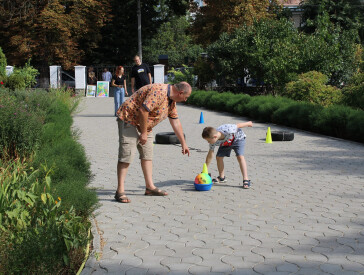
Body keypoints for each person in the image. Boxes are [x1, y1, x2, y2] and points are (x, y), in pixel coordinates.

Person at [114, 82, 192, 203]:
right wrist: (144, 133)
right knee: (127, 155)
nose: (186, 100)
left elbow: (175, 121)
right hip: (129, 120)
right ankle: (120, 191)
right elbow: (143, 111)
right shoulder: (159, 92)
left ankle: (150, 187)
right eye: (186, 97)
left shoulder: (171, 101)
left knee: (147, 155)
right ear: (180, 93)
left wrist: (183, 143)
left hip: (145, 125)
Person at [202, 121, 253, 189]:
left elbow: (238, 125)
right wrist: (206, 169)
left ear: (214, 137)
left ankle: (246, 179)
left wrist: (248, 123)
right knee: (219, 157)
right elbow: (210, 155)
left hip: (238, 139)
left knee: (240, 156)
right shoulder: (213, 141)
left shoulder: (228, 129)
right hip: (226, 143)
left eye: (208, 141)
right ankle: (221, 177)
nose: (208, 142)